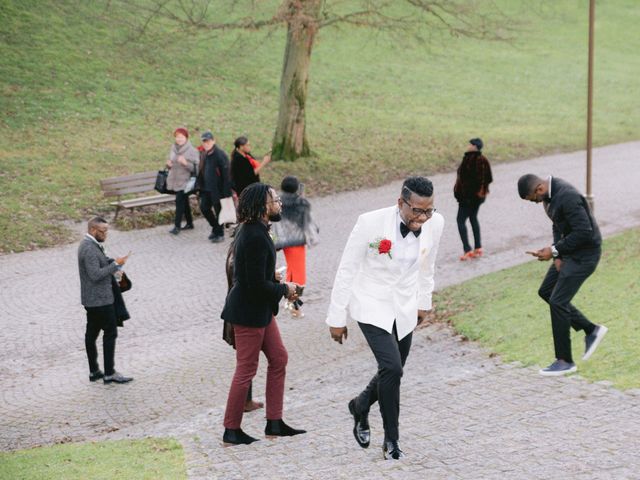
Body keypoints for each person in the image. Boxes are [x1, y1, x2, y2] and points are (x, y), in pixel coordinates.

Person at [326, 176, 444, 460]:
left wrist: (423, 303)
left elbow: (428, 267)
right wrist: (336, 316)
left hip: (404, 307)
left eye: (428, 210)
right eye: (417, 210)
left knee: (393, 369)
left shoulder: (435, 223)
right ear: (400, 203)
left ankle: (360, 404)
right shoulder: (369, 223)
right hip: (370, 303)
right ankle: (392, 440)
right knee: (392, 369)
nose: (423, 217)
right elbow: (347, 269)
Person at [220, 183, 306, 445]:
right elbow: (253, 285)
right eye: (275, 200)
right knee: (246, 369)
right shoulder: (254, 235)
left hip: (260, 311)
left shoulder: (258, 230)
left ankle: (275, 422)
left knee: (279, 358)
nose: (279, 203)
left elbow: (253, 274)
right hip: (247, 312)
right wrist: (285, 287)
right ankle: (231, 429)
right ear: (262, 206)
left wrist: (274, 276)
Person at [518, 174, 608, 376]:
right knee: (546, 291)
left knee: (558, 301)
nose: (535, 203)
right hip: (568, 253)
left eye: (533, 199)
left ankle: (565, 360)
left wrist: (555, 250)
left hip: (585, 255)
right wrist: (556, 254)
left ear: (539, 189)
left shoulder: (567, 196)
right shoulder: (548, 197)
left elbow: (584, 231)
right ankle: (590, 329)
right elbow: (557, 224)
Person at [78, 217, 133, 384]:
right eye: (104, 231)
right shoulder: (88, 249)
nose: (106, 234)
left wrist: (112, 264)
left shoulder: (91, 245)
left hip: (93, 300)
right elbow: (95, 275)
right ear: (94, 230)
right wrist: (115, 264)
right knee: (110, 333)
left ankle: (94, 371)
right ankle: (109, 373)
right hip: (100, 300)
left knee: (92, 334)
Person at [223, 227, 265, 413]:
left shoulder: (237, 251)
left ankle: (247, 401)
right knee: (246, 362)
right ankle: (236, 414)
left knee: (269, 357)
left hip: (248, 310)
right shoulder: (238, 255)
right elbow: (247, 283)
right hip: (244, 312)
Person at [273, 175, 319, 317]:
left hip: (281, 240)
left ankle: (289, 300)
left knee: (292, 270)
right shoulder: (301, 203)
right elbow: (307, 223)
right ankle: (294, 305)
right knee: (298, 274)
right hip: (296, 241)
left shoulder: (276, 202)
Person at [454, 137, 492, 261]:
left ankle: (467, 250)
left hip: (467, 199)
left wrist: (465, 195)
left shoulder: (469, 159)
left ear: (474, 146)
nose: (468, 146)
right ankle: (478, 247)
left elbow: (466, 181)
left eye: (469, 144)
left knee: (460, 221)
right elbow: (489, 178)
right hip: (478, 198)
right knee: (473, 218)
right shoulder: (484, 159)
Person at [197, 131, 232, 243]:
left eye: (208, 141)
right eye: (204, 142)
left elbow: (227, 175)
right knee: (204, 208)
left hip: (218, 190)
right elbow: (201, 171)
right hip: (206, 189)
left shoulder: (220, 155)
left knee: (219, 212)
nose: (206, 143)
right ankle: (215, 228)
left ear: (213, 141)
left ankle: (219, 233)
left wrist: (226, 193)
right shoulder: (204, 154)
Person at [166, 127, 199, 235]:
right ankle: (190, 223)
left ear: (186, 138)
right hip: (174, 180)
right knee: (184, 202)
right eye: (177, 137)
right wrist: (168, 165)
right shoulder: (173, 149)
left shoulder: (192, 151)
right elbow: (171, 164)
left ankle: (177, 226)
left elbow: (197, 169)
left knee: (179, 202)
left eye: (181, 137)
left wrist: (186, 163)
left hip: (186, 182)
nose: (179, 139)